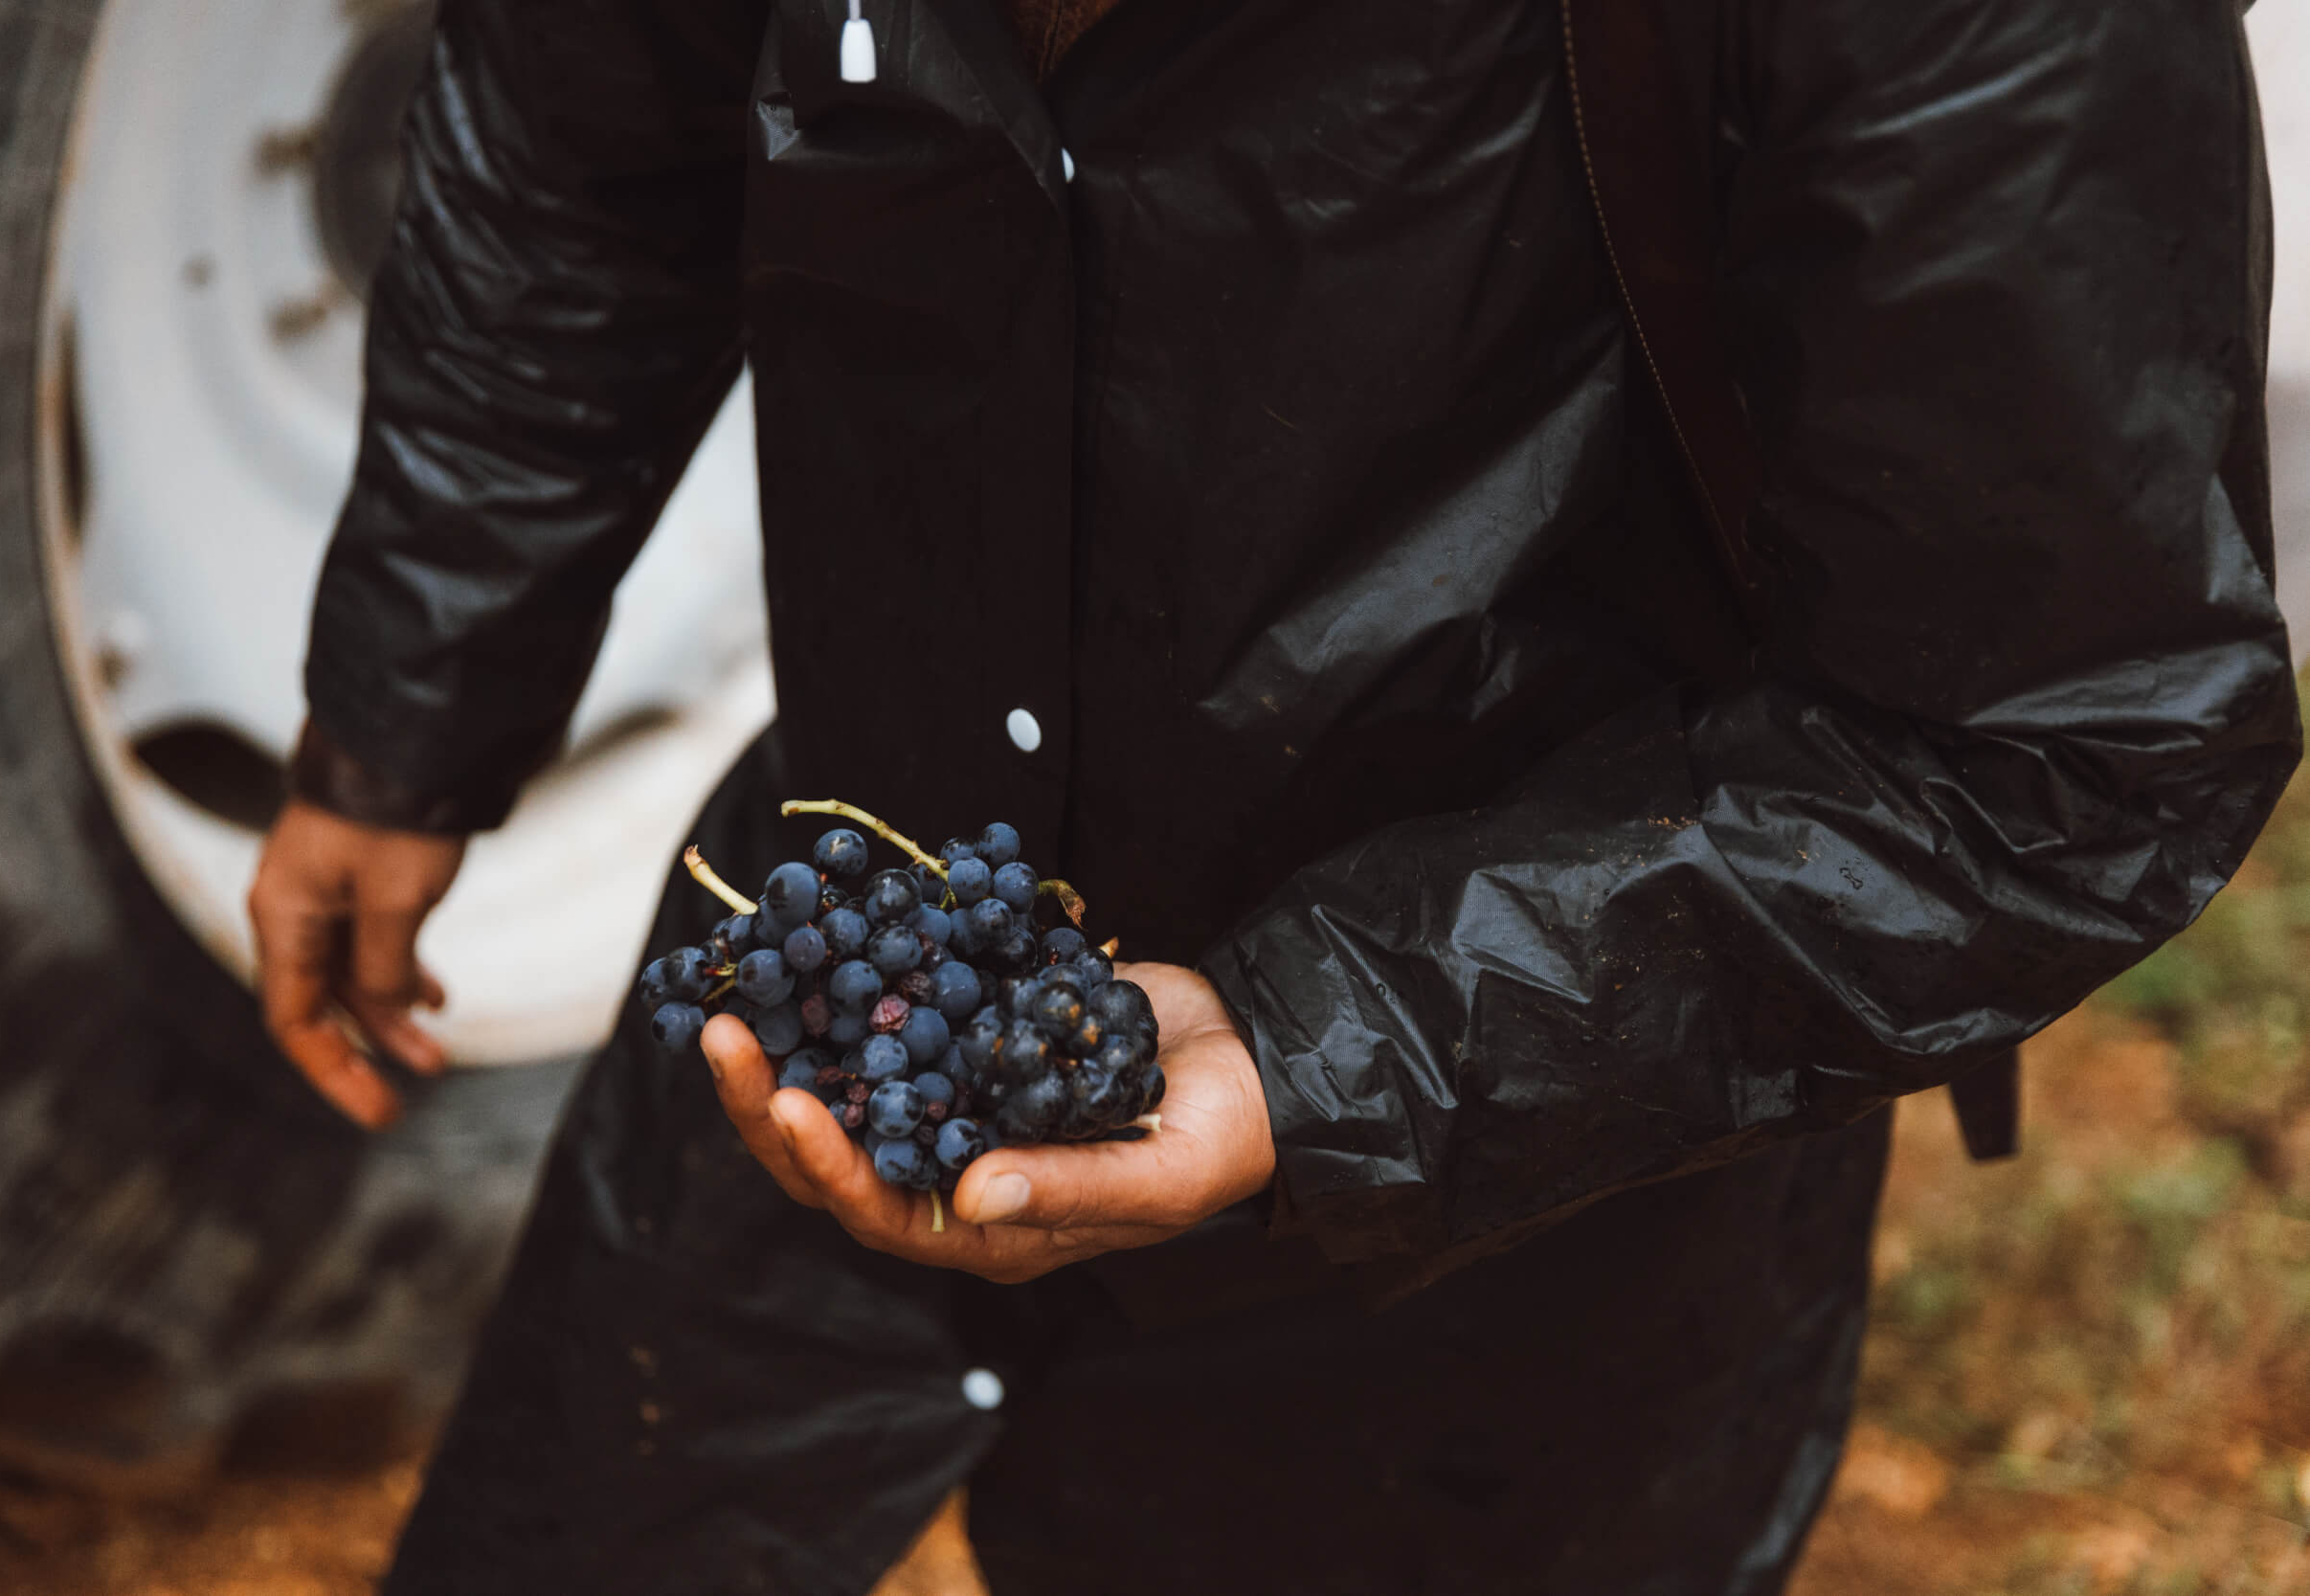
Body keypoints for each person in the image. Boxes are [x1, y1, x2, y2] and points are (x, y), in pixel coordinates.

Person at [247, 0, 2298, 1590]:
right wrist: (416, 693)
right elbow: (587, 129)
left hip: (1528, 1159)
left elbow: (2059, 747)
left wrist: (1341, 1043)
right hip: (856, 970)